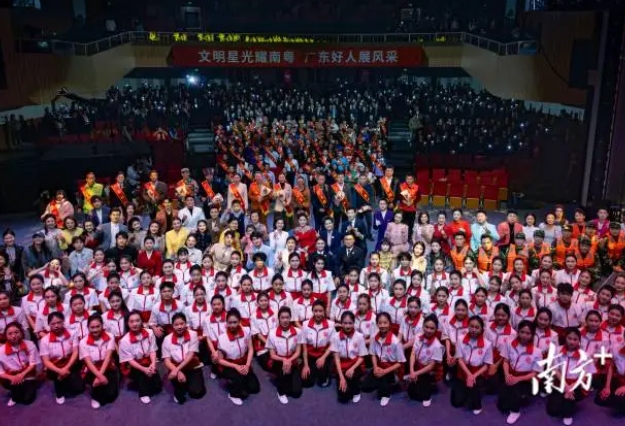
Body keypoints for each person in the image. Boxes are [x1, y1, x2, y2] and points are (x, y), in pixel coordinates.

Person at [546, 327, 596, 425]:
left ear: (579, 340)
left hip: (576, 385)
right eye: (569, 338)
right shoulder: (557, 350)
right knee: (553, 411)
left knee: (567, 406)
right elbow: (555, 369)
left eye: (575, 339)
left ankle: (568, 412)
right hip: (560, 383)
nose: (572, 342)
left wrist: (572, 387)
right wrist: (566, 386)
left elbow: (586, 374)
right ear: (565, 338)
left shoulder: (584, 355)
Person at [451, 315, 493, 415]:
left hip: (477, 374)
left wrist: (473, 376)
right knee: (456, 402)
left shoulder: (487, 344)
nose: (473, 329)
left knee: (472, 402)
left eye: (477, 327)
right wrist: (468, 374)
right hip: (463, 371)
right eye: (471, 326)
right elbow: (459, 359)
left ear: (482, 329)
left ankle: (477, 401)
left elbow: (486, 365)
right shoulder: (460, 339)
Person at [217, 308, 260, 405]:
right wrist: (235, 366)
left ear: (240, 321)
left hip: (243, 362)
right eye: (230, 322)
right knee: (241, 391)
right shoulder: (222, 338)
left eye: (235, 322)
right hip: (229, 365)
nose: (232, 325)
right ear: (226, 323)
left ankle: (239, 382)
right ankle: (233, 394)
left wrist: (247, 365)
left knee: (254, 388)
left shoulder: (246, 330)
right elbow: (220, 360)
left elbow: (251, 349)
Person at [361, 311, 406, 406]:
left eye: (385, 323)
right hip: (380, 366)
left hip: (392, 370)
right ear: (377, 324)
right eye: (380, 323)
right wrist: (375, 367)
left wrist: (385, 372)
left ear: (390, 323)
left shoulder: (396, 342)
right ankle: (382, 382)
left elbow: (400, 363)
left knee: (382, 392)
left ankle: (387, 392)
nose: (382, 325)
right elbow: (373, 354)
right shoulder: (374, 338)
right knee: (365, 387)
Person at [118, 310, 162, 404]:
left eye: (137, 320)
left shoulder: (150, 333)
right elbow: (130, 360)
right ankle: (143, 393)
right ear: (127, 323)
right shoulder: (124, 341)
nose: (135, 324)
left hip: (147, 361)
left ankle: (144, 379)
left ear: (142, 321)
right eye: (131, 321)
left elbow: (152, 350)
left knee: (158, 386)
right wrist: (144, 369)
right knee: (144, 377)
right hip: (133, 366)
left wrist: (153, 364)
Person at [39, 312, 83, 404]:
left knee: (79, 388)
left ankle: (66, 379)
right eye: (53, 324)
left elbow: (75, 352)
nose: (56, 326)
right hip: (55, 367)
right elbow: (46, 361)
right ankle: (59, 390)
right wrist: (60, 371)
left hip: (70, 364)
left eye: (59, 322)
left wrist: (66, 368)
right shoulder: (44, 340)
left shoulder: (72, 333)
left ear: (63, 322)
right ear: (49, 325)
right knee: (60, 383)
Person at [162, 312, 206, 404]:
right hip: (175, 366)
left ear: (186, 324)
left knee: (197, 393)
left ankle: (191, 380)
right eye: (176, 325)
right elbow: (166, 360)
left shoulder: (193, 334)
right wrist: (177, 371)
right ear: (172, 326)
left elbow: (191, 355)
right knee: (180, 396)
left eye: (182, 324)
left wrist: (176, 370)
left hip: (192, 366)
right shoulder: (167, 339)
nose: (179, 327)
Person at [79, 314, 119, 409]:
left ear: (102, 325)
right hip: (91, 369)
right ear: (88, 327)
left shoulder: (110, 336)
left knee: (111, 396)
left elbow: (108, 357)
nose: (95, 330)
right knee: (100, 391)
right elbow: (88, 362)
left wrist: (100, 377)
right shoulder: (83, 342)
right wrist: (100, 376)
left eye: (98, 326)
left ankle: (98, 385)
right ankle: (95, 396)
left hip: (107, 366)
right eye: (92, 327)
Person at [267, 306, 303, 404]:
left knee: (296, 392)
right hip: (278, 360)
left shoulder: (298, 332)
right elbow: (272, 355)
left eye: (287, 317)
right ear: (279, 319)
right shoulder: (272, 333)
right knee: (285, 388)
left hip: (293, 360)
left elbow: (298, 352)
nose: (285, 320)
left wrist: (289, 360)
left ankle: (287, 377)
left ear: (290, 318)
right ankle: (280, 392)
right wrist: (284, 360)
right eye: (282, 318)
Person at [331, 310, 367, 404]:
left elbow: (362, 356)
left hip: (355, 364)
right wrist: (341, 377)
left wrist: (352, 368)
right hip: (342, 365)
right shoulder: (335, 337)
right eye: (345, 323)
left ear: (354, 323)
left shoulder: (359, 336)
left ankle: (357, 388)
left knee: (354, 386)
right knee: (343, 397)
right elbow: (336, 359)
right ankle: (347, 381)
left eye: (350, 323)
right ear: (341, 323)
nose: (347, 326)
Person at [0, 322, 40, 406]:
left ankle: (26, 386)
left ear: (21, 333)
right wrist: (12, 377)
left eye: (16, 332)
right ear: (5, 336)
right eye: (10, 333)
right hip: (12, 375)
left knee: (28, 400)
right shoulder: (1, 351)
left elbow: (32, 364)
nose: (14, 336)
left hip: (27, 373)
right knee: (16, 393)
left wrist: (22, 374)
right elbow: (1, 372)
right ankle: (15, 392)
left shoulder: (30, 344)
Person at [408, 314, 444, 406]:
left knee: (423, 395)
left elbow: (431, 367)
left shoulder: (437, 345)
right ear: (423, 326)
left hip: (429, 371)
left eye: (432, 328)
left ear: (436, 329)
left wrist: (415, 373)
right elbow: (413, 354)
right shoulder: (417, 337)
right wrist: (412, 370)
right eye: (426, 327)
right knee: (410, 393)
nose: (428, 330)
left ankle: (430, 386)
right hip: (417, 367)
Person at [301, 300, 334, 388]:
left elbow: (332, 344)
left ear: (324, 312)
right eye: (315, 311)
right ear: (312, 311)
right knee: (306, 383)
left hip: (323, 355)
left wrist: (323, 357)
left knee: (322, 382)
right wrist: (306, 365)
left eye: (320, 311)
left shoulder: (331, 325)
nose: (318, 314)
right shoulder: (305, 324)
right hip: (310, 355)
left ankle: (325, 372)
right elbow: (304, 348)